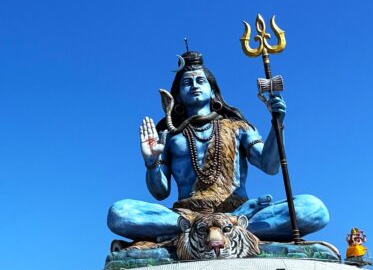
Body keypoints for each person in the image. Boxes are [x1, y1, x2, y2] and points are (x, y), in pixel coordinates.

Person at [108, 49, 329, 243]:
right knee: (119, 213)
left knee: (313, 209)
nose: (194, 86)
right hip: (187, 215)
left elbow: (270, 166)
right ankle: (218, 228)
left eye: (200, 81)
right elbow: (160, 192)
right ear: (178, 96)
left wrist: (277, 125)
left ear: (213, 91)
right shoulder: (170, 136)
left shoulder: (238, 127)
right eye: (187, 83)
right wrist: (151, 163)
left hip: (239, 211)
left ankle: (217, 228)